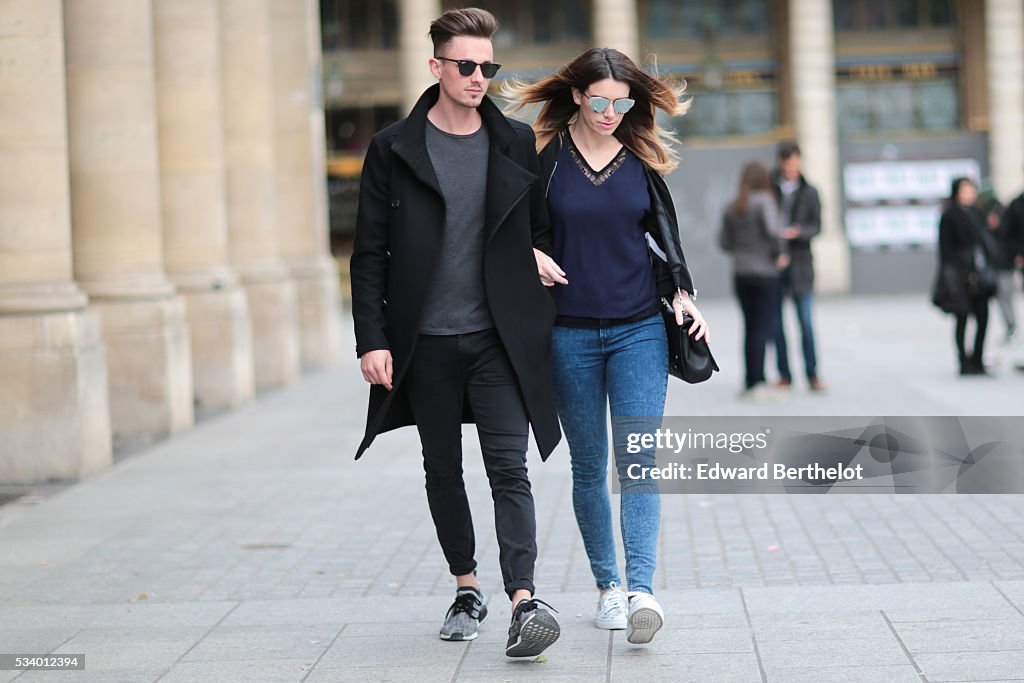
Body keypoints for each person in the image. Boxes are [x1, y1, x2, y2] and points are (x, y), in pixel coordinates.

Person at [350, 7, 561, 658]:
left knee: (509, 467)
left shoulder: (514, 143)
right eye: (466, 66)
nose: (479, 78)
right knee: (441, 466)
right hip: (427, 340)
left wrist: (530, 255)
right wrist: (372, 339)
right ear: (436, 65)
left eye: (488, 67)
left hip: (498, 336)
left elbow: (537, 231)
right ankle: (467, 586)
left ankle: (524, 600)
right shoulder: (393, 149)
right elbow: (369, 254)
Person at [506, 47, 709, 645]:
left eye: (622, 103)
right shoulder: (541, 157)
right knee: (590, 465)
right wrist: (528, 254)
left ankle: (643, 588)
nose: (611, 112)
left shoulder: (641, 155)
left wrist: (683, 293)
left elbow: (664, 236)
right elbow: (508, 229)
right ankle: (608, 588)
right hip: (567, 332)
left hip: (639, 328)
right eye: (600, 101)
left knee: (639, 458)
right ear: (576, 95)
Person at [720, 161, 788, 398]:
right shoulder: (765, 201)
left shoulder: (733, 206)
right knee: (762, 326)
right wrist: (780, 253)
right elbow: (773, 232)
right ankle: (759, 380)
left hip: (741, 273)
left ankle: (750, 380)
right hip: (765, 274)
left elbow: (724, 242)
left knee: (749, 327)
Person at [770, 141, 825, 392]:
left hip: (802, 264)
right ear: (781, 163)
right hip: (774, 263)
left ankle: (813, 375)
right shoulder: (769, 188)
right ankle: (784, 375)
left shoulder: (810, 191)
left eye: (795, 164)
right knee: (776, 324)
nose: (792, 169)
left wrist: (798, 232)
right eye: (787, 164)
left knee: (806, 322)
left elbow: (817, 226)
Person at [938, 177, 996, 375]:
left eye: (971, 189)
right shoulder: (949, 215)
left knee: (983, 317)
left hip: (980, 274)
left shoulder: (978, 214)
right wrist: (951, 277)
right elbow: (945, 250)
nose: (969, 193)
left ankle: (977, 359)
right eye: (965, 190)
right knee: (962, 318)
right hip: (960, 275)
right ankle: (963, 361)